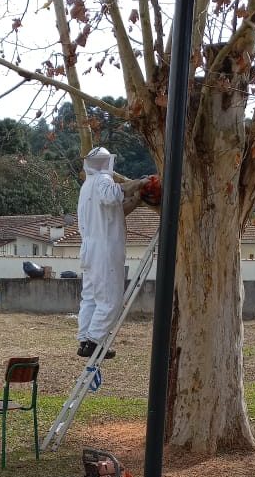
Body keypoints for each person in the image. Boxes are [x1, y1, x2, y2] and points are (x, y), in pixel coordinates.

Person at [76, 146, 147, 359]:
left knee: (90, 297)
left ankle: (84, 339)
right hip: (105, 249)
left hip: (89, 249)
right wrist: (139, 182)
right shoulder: (102, 181)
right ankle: (95, 340)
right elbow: (113, 194)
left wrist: (136, 198)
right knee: (110, 299)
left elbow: (115, 209)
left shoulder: (87, 187)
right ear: (106, 163)